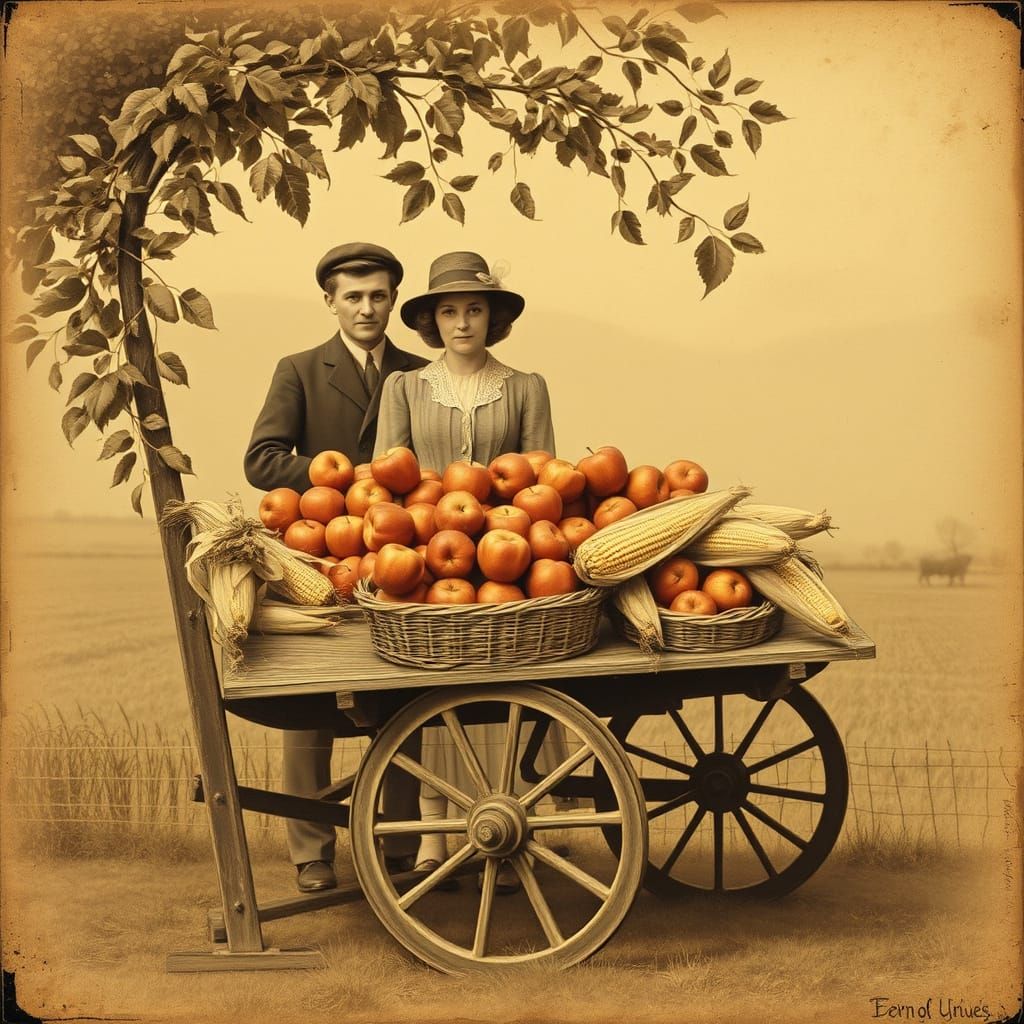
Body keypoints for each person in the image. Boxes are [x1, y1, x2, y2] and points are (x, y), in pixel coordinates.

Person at [374, 250, 571, 893]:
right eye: (450, 311)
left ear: (494, 318)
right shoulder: (403, 387)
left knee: (502, 691)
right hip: (427, 556)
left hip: (505, 555)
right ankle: (433, 836)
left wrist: (505, 530)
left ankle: (511, 826)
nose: (463, 323)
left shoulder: (525, 386)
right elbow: (385, 480)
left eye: (475, 310)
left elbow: (543, 478)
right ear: (432, 320)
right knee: (434, 693)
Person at [244, 241, 428, 894]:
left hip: (400, 555)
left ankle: (400, 849)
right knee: (310, 702)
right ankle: (310, 852)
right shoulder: (298, 369)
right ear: (330, 302)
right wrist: (344, 477)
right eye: (353, 296)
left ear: (393, 299)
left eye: (378, 295)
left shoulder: (418, 371)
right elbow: (262, 460)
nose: (367, 308)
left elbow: (433, 467)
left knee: (407, 699)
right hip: (319, 556)